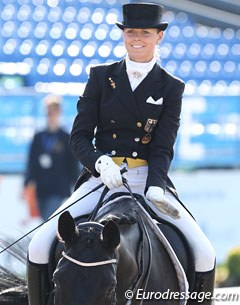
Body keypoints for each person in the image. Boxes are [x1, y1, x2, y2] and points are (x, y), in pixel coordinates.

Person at [26, 3, 215, 305]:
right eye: (130, 32)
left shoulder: (171, 87)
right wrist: (100, 163)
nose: (136, 38)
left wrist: (155, 186)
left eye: (144, 32)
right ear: (123, 35)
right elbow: (79, 136)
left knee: (205, 253)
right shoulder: (101, 77)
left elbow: (163, 146)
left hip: (147, 181)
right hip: (102, 179)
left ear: (158, 37)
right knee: (38, 245)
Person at [23, 94, 80, 221]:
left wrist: (77, 184)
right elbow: (31, 161)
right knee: (44, 220)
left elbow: (72, 164)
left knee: (50, 219)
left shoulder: (66, 137)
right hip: (42, 187)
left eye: (54, 110)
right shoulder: (39, 137)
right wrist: (27, 181)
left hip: (58, 188)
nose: (51, 113)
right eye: (49, 110)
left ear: (59, 112)